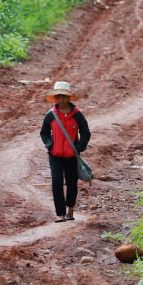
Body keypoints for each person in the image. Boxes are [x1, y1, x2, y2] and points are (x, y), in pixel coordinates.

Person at [40, 81, 91, 222]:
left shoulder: (77, 114)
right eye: (58, 97)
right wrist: (50, 146)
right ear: (55, 98)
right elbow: (44, 133)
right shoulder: (51, 115)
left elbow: (86, 132)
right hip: (55, 155)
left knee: (71, 181)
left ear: (69, 98)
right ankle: (60, 213)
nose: (61, 100)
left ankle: (70, 209)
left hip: (71, 155)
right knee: (56, 181)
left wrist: (79, 147)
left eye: (64, 97)